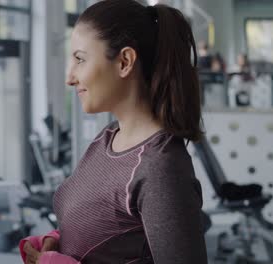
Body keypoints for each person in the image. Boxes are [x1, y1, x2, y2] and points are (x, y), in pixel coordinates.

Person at [20, 1, 207, 263]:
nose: (70, 77)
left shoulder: (159, 168)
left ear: (124, 62)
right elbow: (108, 234)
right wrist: (58, 241)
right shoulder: (108, 138)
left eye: (80, 59)